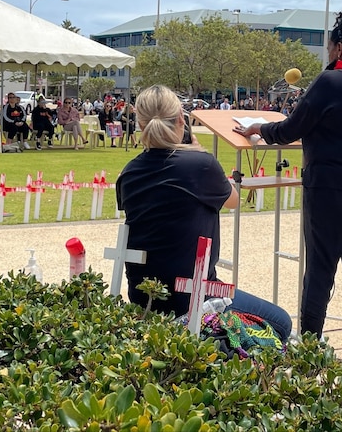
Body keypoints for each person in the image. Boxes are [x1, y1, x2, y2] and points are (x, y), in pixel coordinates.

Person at [235, 5, 342, 381]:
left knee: (320, 272)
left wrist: (257, 128)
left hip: (332, 193)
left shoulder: (330, 81)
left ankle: (307, 360)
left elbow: (290, 129)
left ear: (338, 48)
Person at [116, 85, 292, 342]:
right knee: (282, 323)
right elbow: (233, 200)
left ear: (141, 124)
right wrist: (200, 153)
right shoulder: (200, 165)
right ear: (180, 121)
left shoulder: (129, 172)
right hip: (194, 294)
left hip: (144, 295)